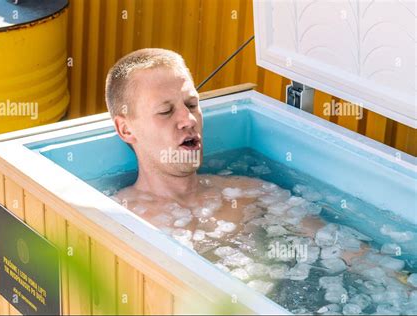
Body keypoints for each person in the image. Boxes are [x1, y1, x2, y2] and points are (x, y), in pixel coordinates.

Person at [104, 48, 366, 264]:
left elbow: (349, 252)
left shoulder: (251, 193)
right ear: (126, 129)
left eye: (192, 105)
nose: (188, 119)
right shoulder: (115, 222)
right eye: (165, 111)